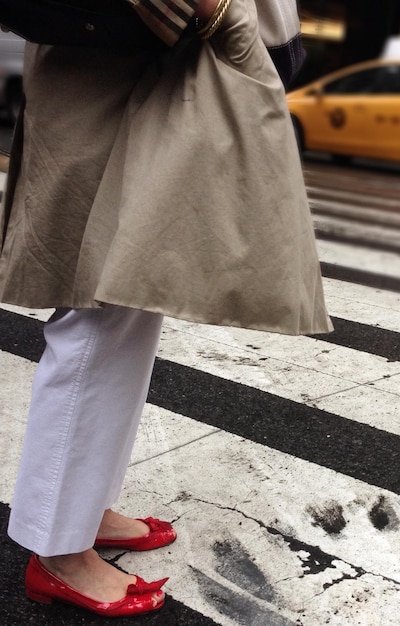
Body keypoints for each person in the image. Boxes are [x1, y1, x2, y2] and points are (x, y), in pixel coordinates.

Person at [0, 0, 333, 618]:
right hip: (119, 73)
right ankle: (57, 552)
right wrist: (212, 13)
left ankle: (83, 507)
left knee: (127, 301)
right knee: (95, 309)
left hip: (146, 67)